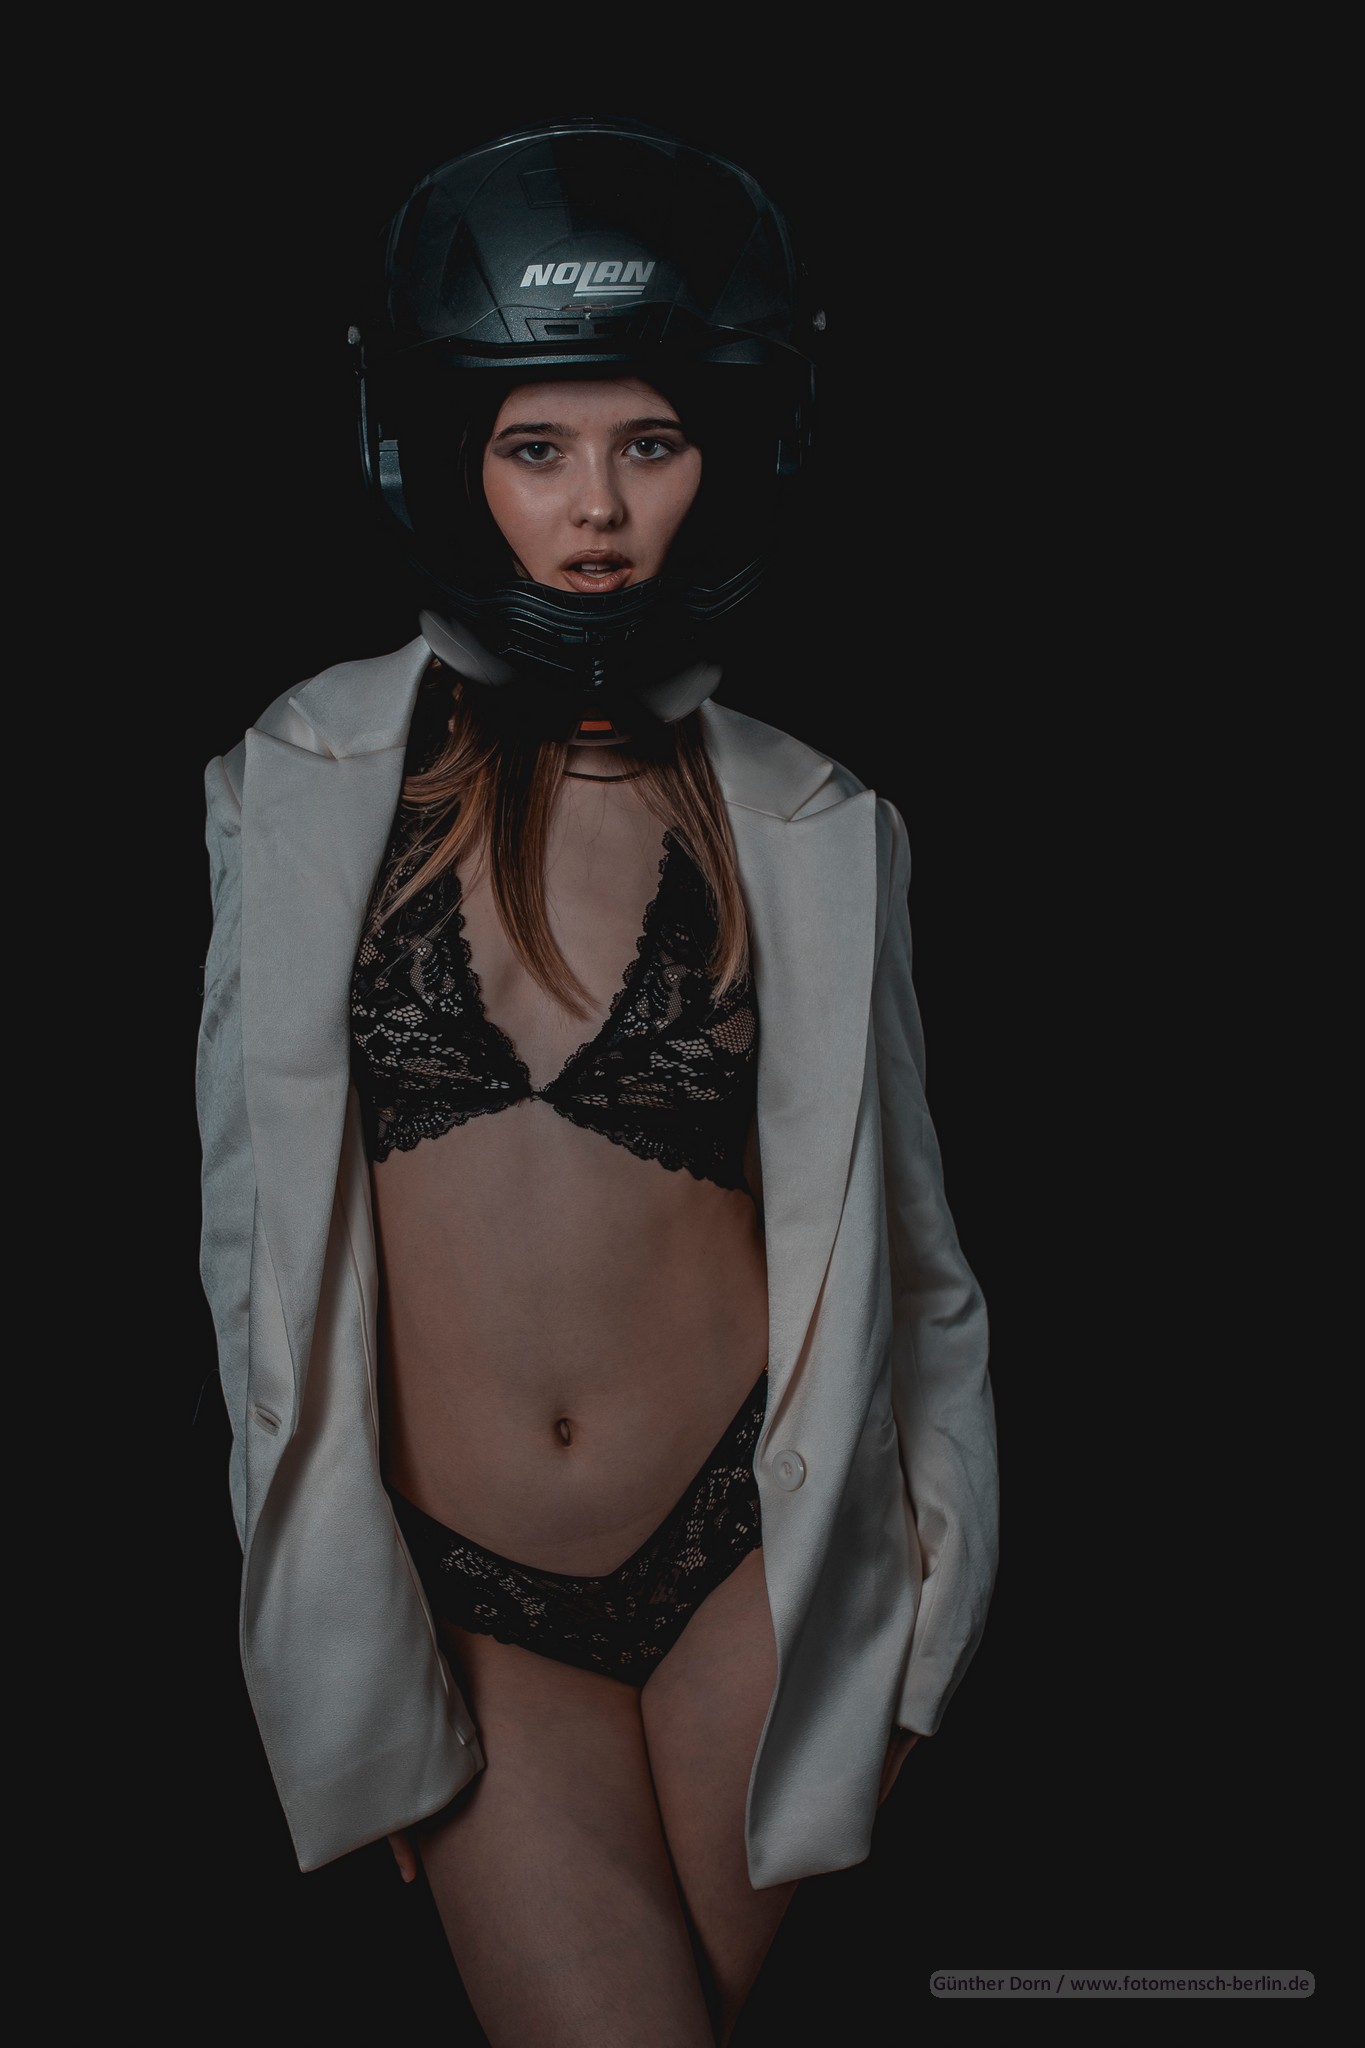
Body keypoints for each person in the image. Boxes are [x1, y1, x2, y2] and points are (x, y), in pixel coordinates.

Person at [196, 117, 998, 2047]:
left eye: (650, 443)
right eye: (535, 447)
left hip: (756, 1573)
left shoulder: (814, 826)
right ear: (446, 457)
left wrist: (923, 1635)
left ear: (728, 453)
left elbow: (921, 1275)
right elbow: (248, 1250)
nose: (598, 510)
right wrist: (333, 1646)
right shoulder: (295, 788)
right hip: (471, 1608)